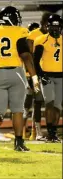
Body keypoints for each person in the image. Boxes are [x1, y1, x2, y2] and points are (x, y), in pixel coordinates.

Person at [0, 6, 40, 152]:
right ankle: (19, 142)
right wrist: (34, 77)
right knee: (17, 110)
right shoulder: (18, 32)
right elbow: (25, 55)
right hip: (15, 73)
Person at [33, 14, 62, 143]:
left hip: (61, 76)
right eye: (53, 26)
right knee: (49, 103)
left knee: (58, 106)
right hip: (47, 76)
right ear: (47, 27)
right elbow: (35, 61)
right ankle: (50, 132)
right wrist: (41, 75)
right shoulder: (41, 40)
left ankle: (54, 133)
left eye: (57, 26)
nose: (55, 29)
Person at [26, 12, 53, 141]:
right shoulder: (32, 35)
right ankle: (37, 132)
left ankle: (48, 131)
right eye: (48, 24)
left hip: (50, 72)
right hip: (35, 73)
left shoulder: (54, 35)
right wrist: (33, 75)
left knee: (50, 102)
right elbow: (30, 56)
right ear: (43, 23)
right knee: (37, 101)